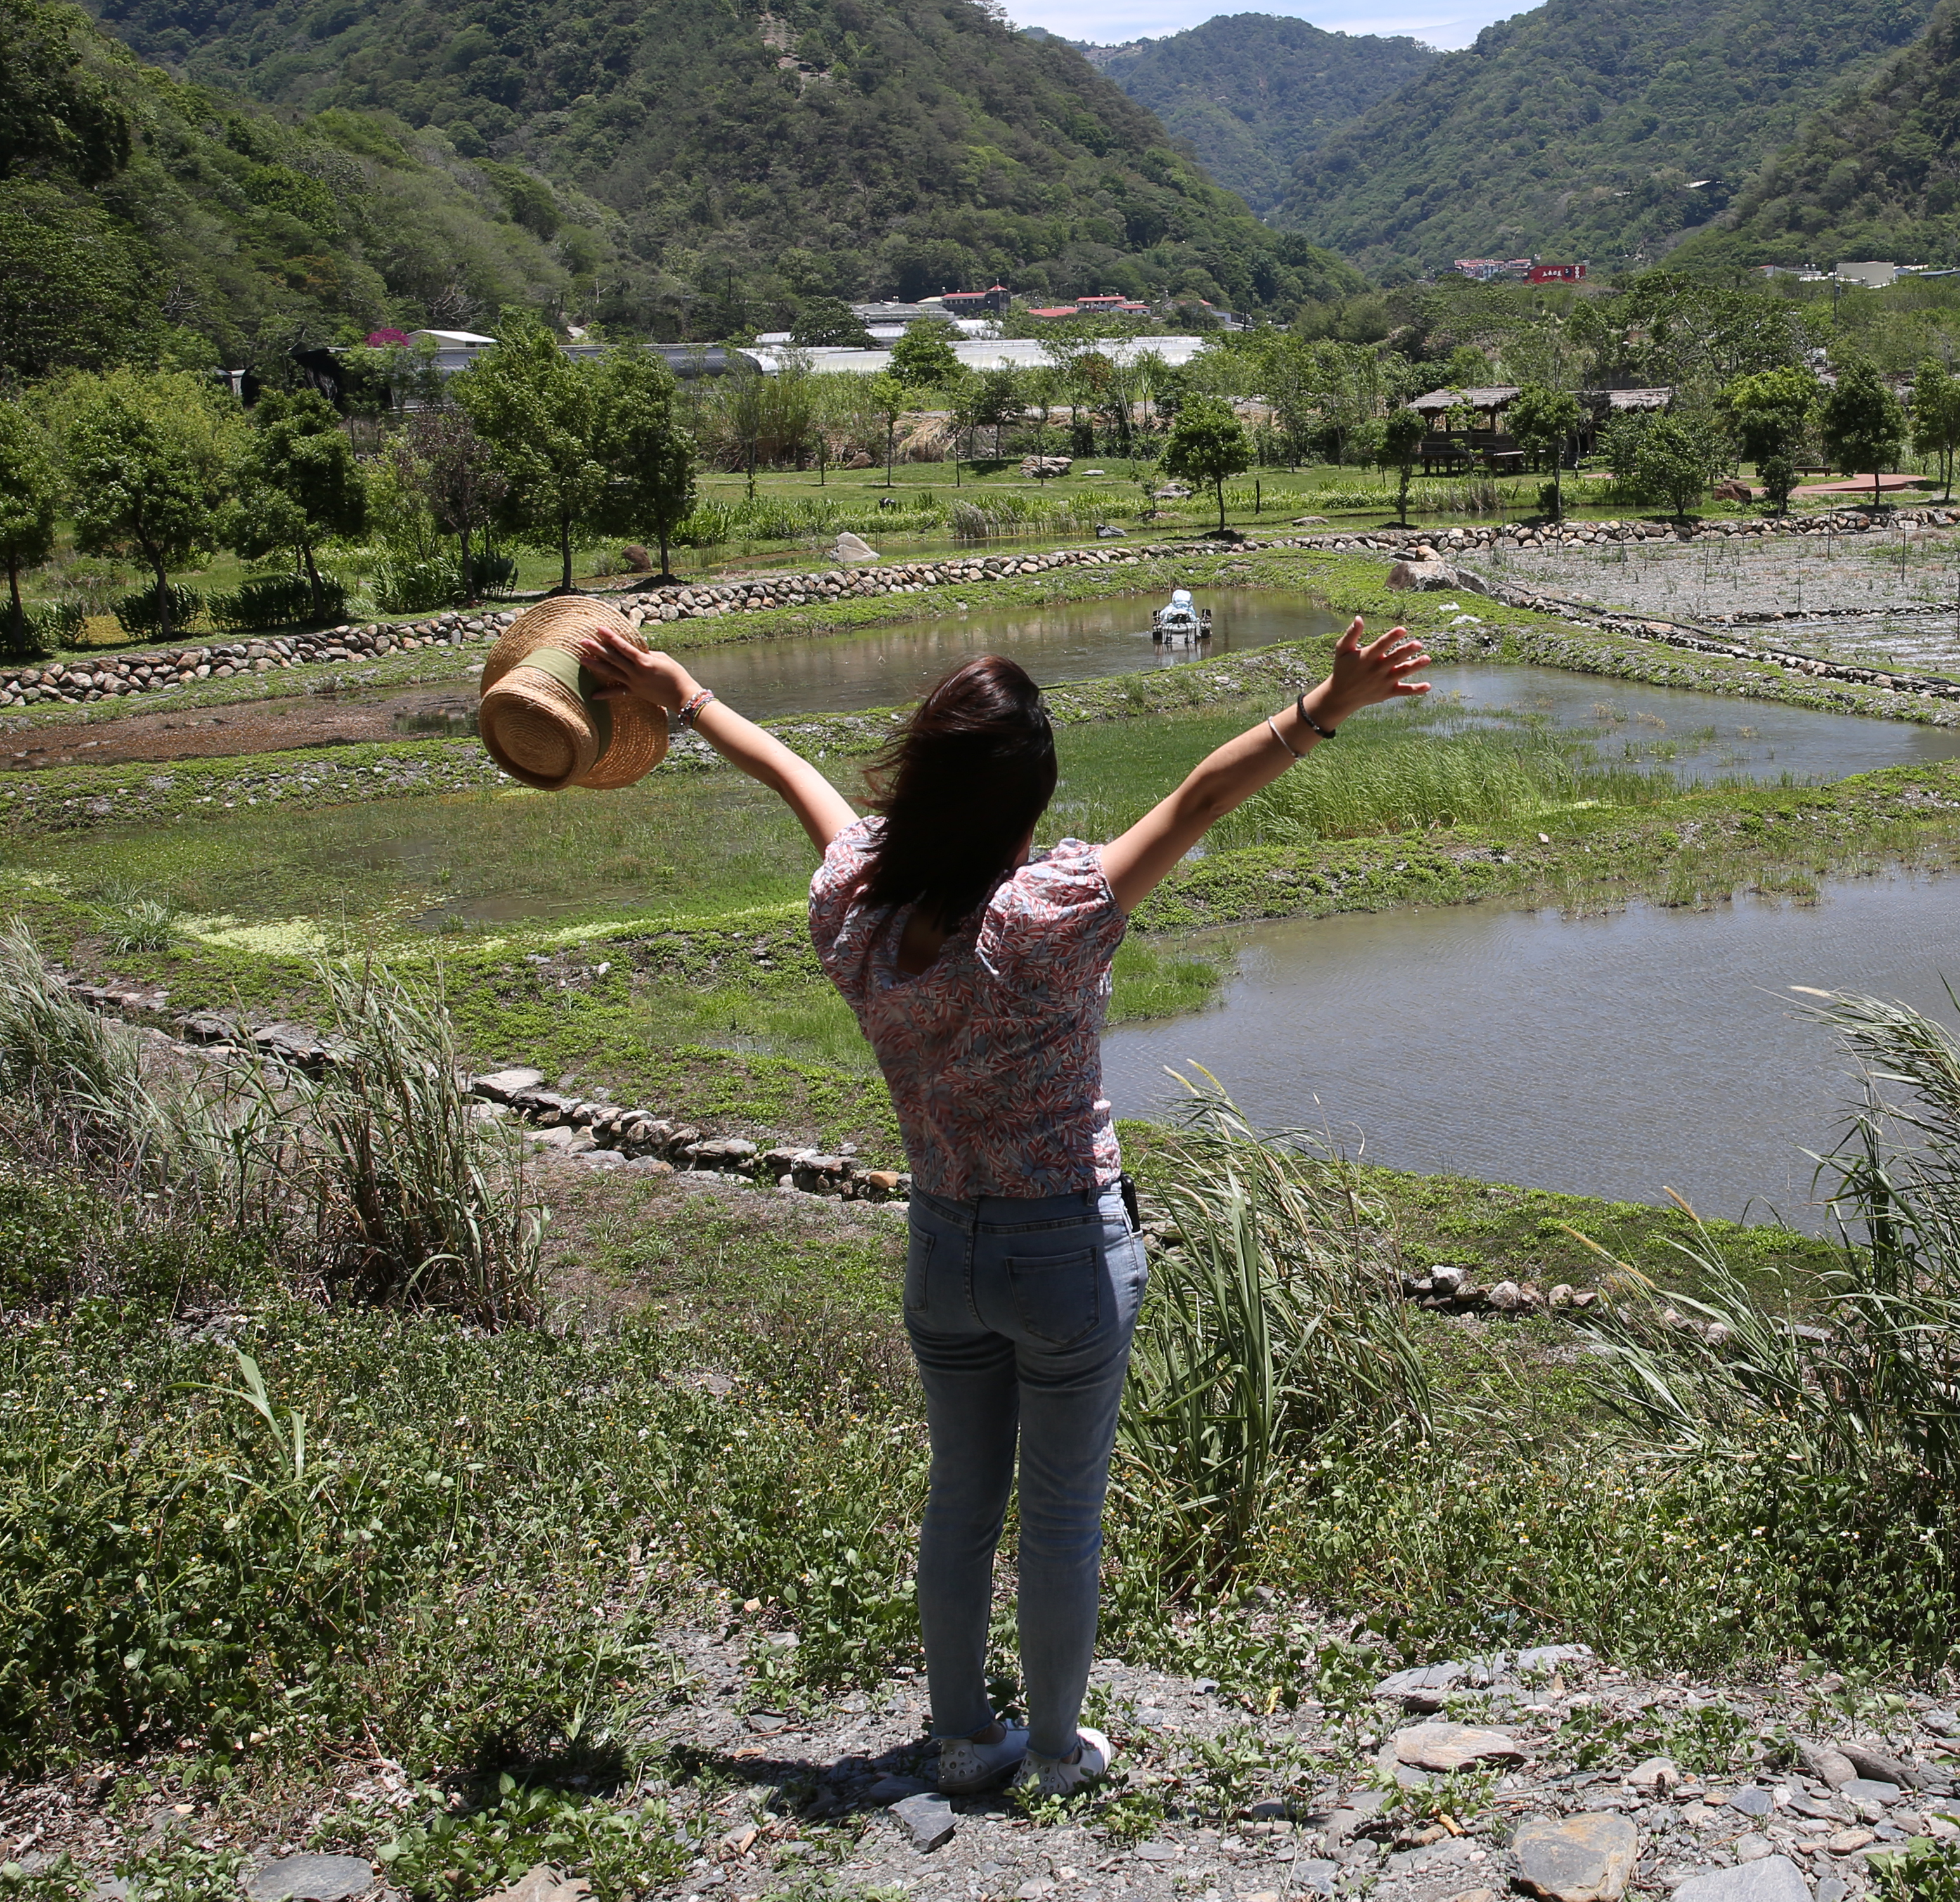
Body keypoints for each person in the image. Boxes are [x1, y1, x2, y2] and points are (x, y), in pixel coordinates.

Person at [576, 613, 1431, 1799]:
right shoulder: (1046, 919)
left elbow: (801, 788)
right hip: (1066, 1255)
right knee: (1062, 1517)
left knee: (962, 1502)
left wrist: (686, 699)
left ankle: (965, 1734)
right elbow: (1192, 804)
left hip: (944, 1252)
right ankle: (1051, 1755)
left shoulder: (856, 913)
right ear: (1028, 806)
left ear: (923, 783)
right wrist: (1325, 704)